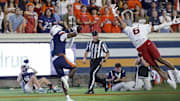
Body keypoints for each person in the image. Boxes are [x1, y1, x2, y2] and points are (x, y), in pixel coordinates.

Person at [112, 5, 180, 89]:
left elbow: (157, 27)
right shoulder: (131, 29)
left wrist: (116, 15)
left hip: (146, 44)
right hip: (141, 48)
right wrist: (116, 15)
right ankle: (170, 81)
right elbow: (158, 26)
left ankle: (176, 71)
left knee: (160, 59)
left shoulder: (138, 27)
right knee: (155, 66)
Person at [50, 25, 80, 101]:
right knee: (74, 68)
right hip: (60, 57)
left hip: (54, 61)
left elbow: (68, 45)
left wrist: (73, 34)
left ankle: (67, 97)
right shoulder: (60, 34)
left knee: (62, 78)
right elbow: (71, 35)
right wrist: (76, 30)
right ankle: (67, 78)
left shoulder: (53, 39)